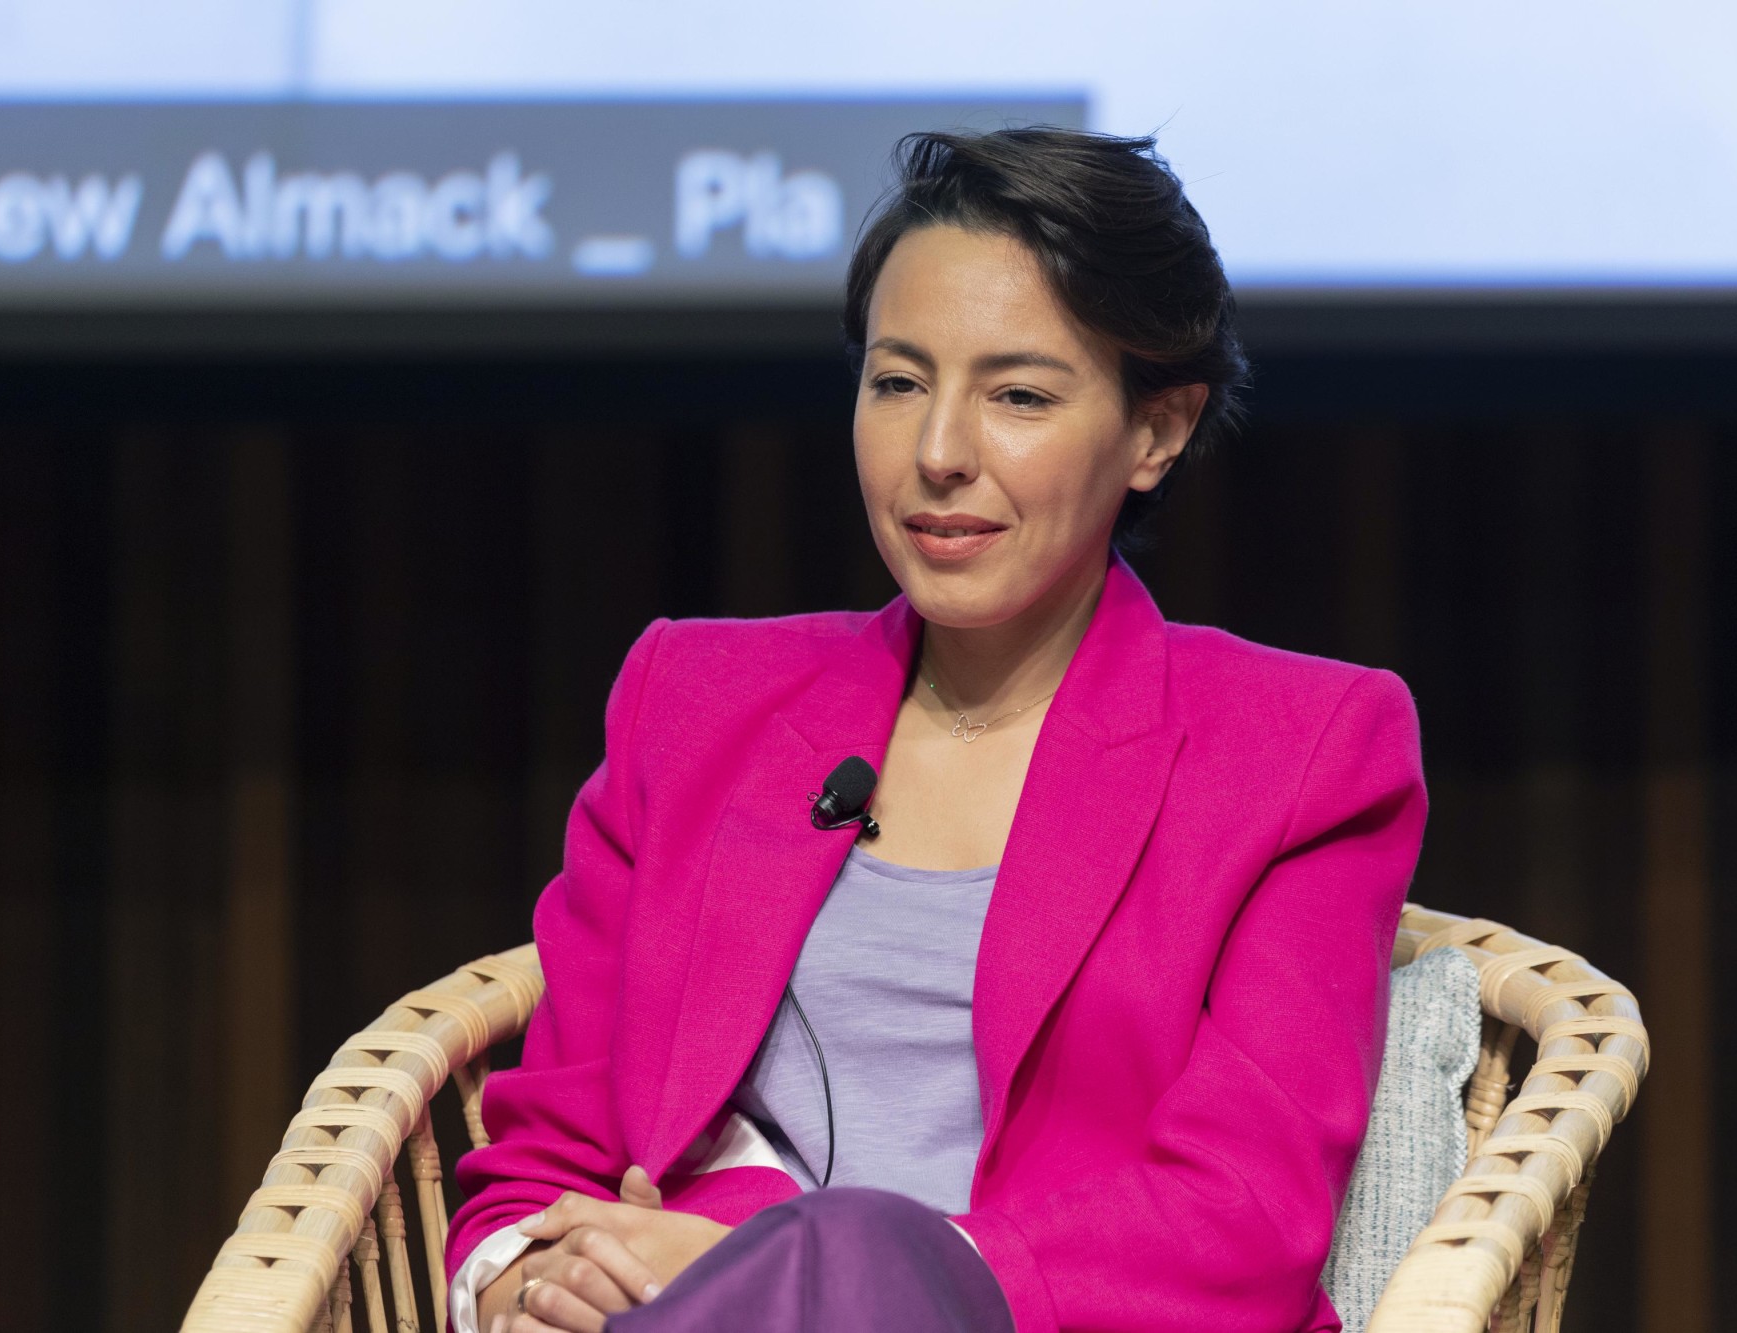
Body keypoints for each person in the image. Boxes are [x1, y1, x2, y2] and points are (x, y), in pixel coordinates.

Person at [444, 126, 1426, 1333]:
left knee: (850, 1248)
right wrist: (522, 1284)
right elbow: (542, 1153)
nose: (938, 455)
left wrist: (765, 1257)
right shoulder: (690, 700)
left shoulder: (1306, 751)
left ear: (1156, 430)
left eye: (1016, 395)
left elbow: (1239, 1222)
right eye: (897, 382)